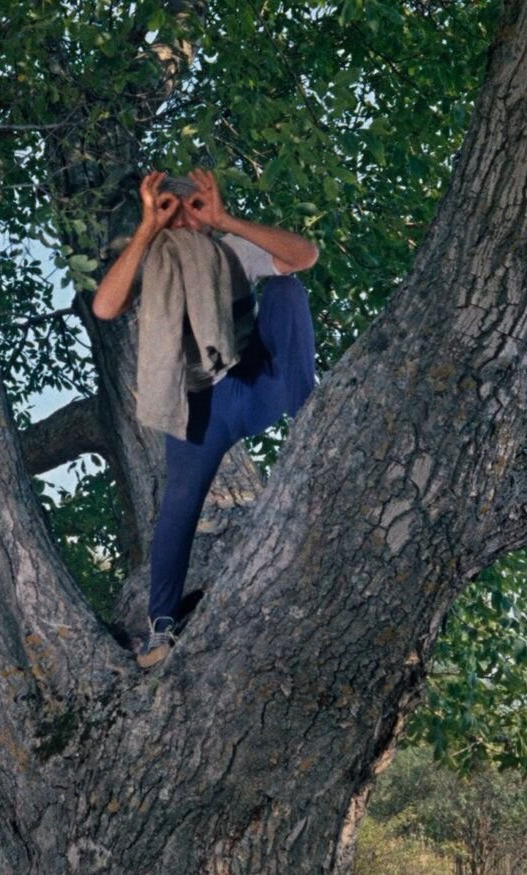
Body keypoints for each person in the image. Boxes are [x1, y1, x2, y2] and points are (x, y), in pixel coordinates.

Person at [92, 169, 320, 668]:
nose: (184, 219)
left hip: (260, 386)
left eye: (193, 207)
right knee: (178, 506)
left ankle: (312, 430)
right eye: (172, 208)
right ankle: (162, 626)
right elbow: (106, 308)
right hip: (202, 411)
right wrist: (150, 227)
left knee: (288, 292)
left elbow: (305, 256)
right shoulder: (155, 264)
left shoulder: (231, 251)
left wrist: (225, 219)